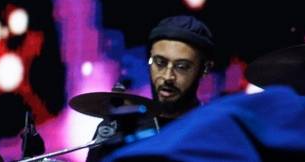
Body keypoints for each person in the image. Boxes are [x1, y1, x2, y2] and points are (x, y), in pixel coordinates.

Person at [87, 16, 218, 161]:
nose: (168, 76)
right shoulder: (120, 128)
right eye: (160, 63)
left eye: (181, 67)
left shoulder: (214, 130)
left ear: (205, 68)